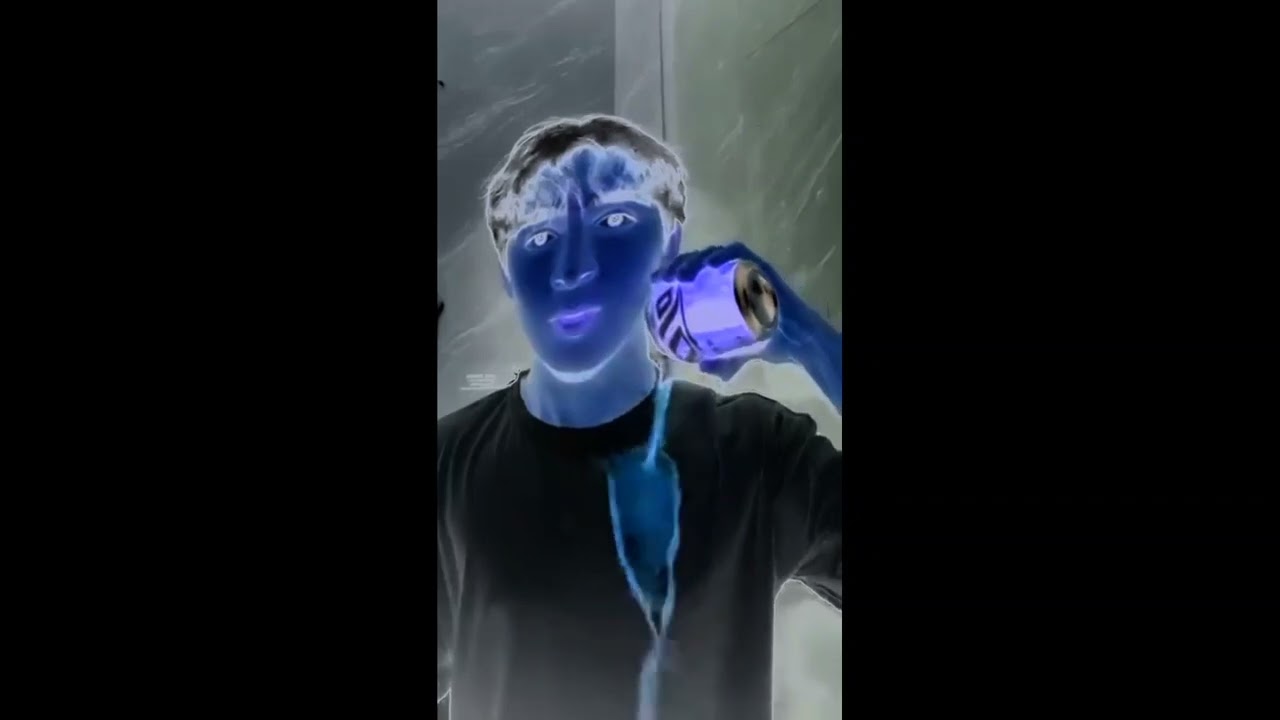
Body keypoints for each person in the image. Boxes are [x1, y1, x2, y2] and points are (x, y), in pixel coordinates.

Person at [437, 114, 842, 720]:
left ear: (670, 246)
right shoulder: (449, 464)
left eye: (614, 222)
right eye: (539, 236)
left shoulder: (761, 451)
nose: (572, 268)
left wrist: (808, 339)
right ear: (508, 274)